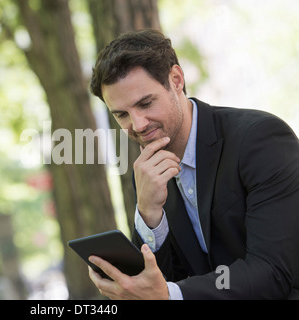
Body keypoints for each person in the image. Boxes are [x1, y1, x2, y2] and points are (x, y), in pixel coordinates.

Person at [87, 28, 299, 299]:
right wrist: (149, 217)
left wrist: (171, 295)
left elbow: (272, 271)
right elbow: (157, 284)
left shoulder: (260, 139)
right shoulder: (148, 174)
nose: (137, 125)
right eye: (122, 115)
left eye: (146, 103)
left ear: (176, 79)